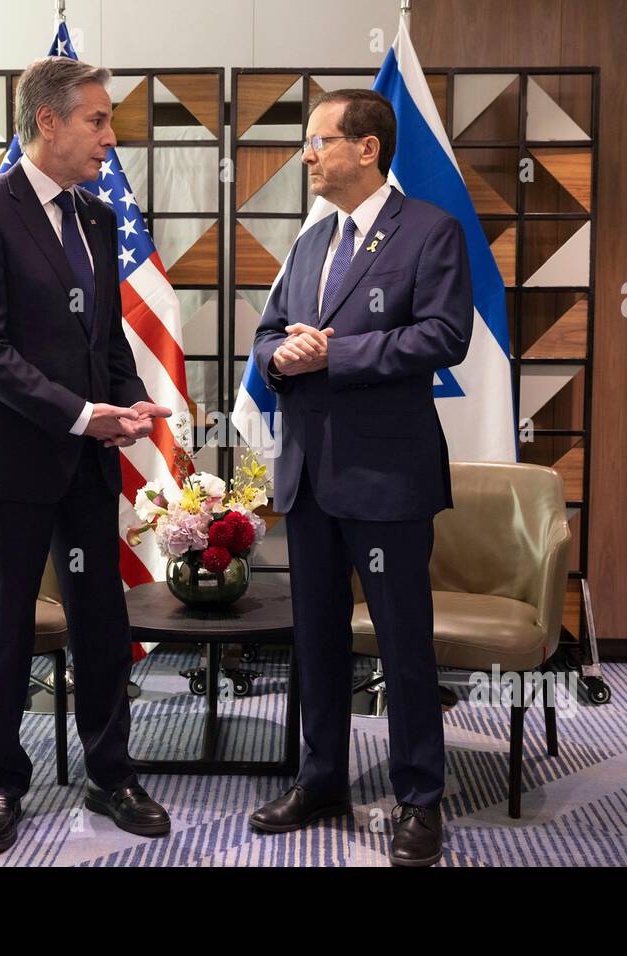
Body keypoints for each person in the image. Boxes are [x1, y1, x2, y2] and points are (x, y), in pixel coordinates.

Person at [0, 55, 173, 854]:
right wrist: (80, 415)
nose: (111, 137)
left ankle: (113, 774)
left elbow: (102, 339)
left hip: (87, 457)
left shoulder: (99, 218)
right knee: (5, 623)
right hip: (8, 457)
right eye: (97, 120)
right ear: (48, 121)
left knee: (98, 617)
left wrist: (130, 400)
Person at [247, 89, 474, 867]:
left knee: (403, 644)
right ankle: (321, 781)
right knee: (314, 641)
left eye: (319, 141)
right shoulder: (311, 241)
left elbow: (444, 337)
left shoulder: (430, 231)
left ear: (367, 148)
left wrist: (332, 355)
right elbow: (270, 333)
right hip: (309, 475)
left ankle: (420, 797)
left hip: (387, 476)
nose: (307, 155)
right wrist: (277, 355)